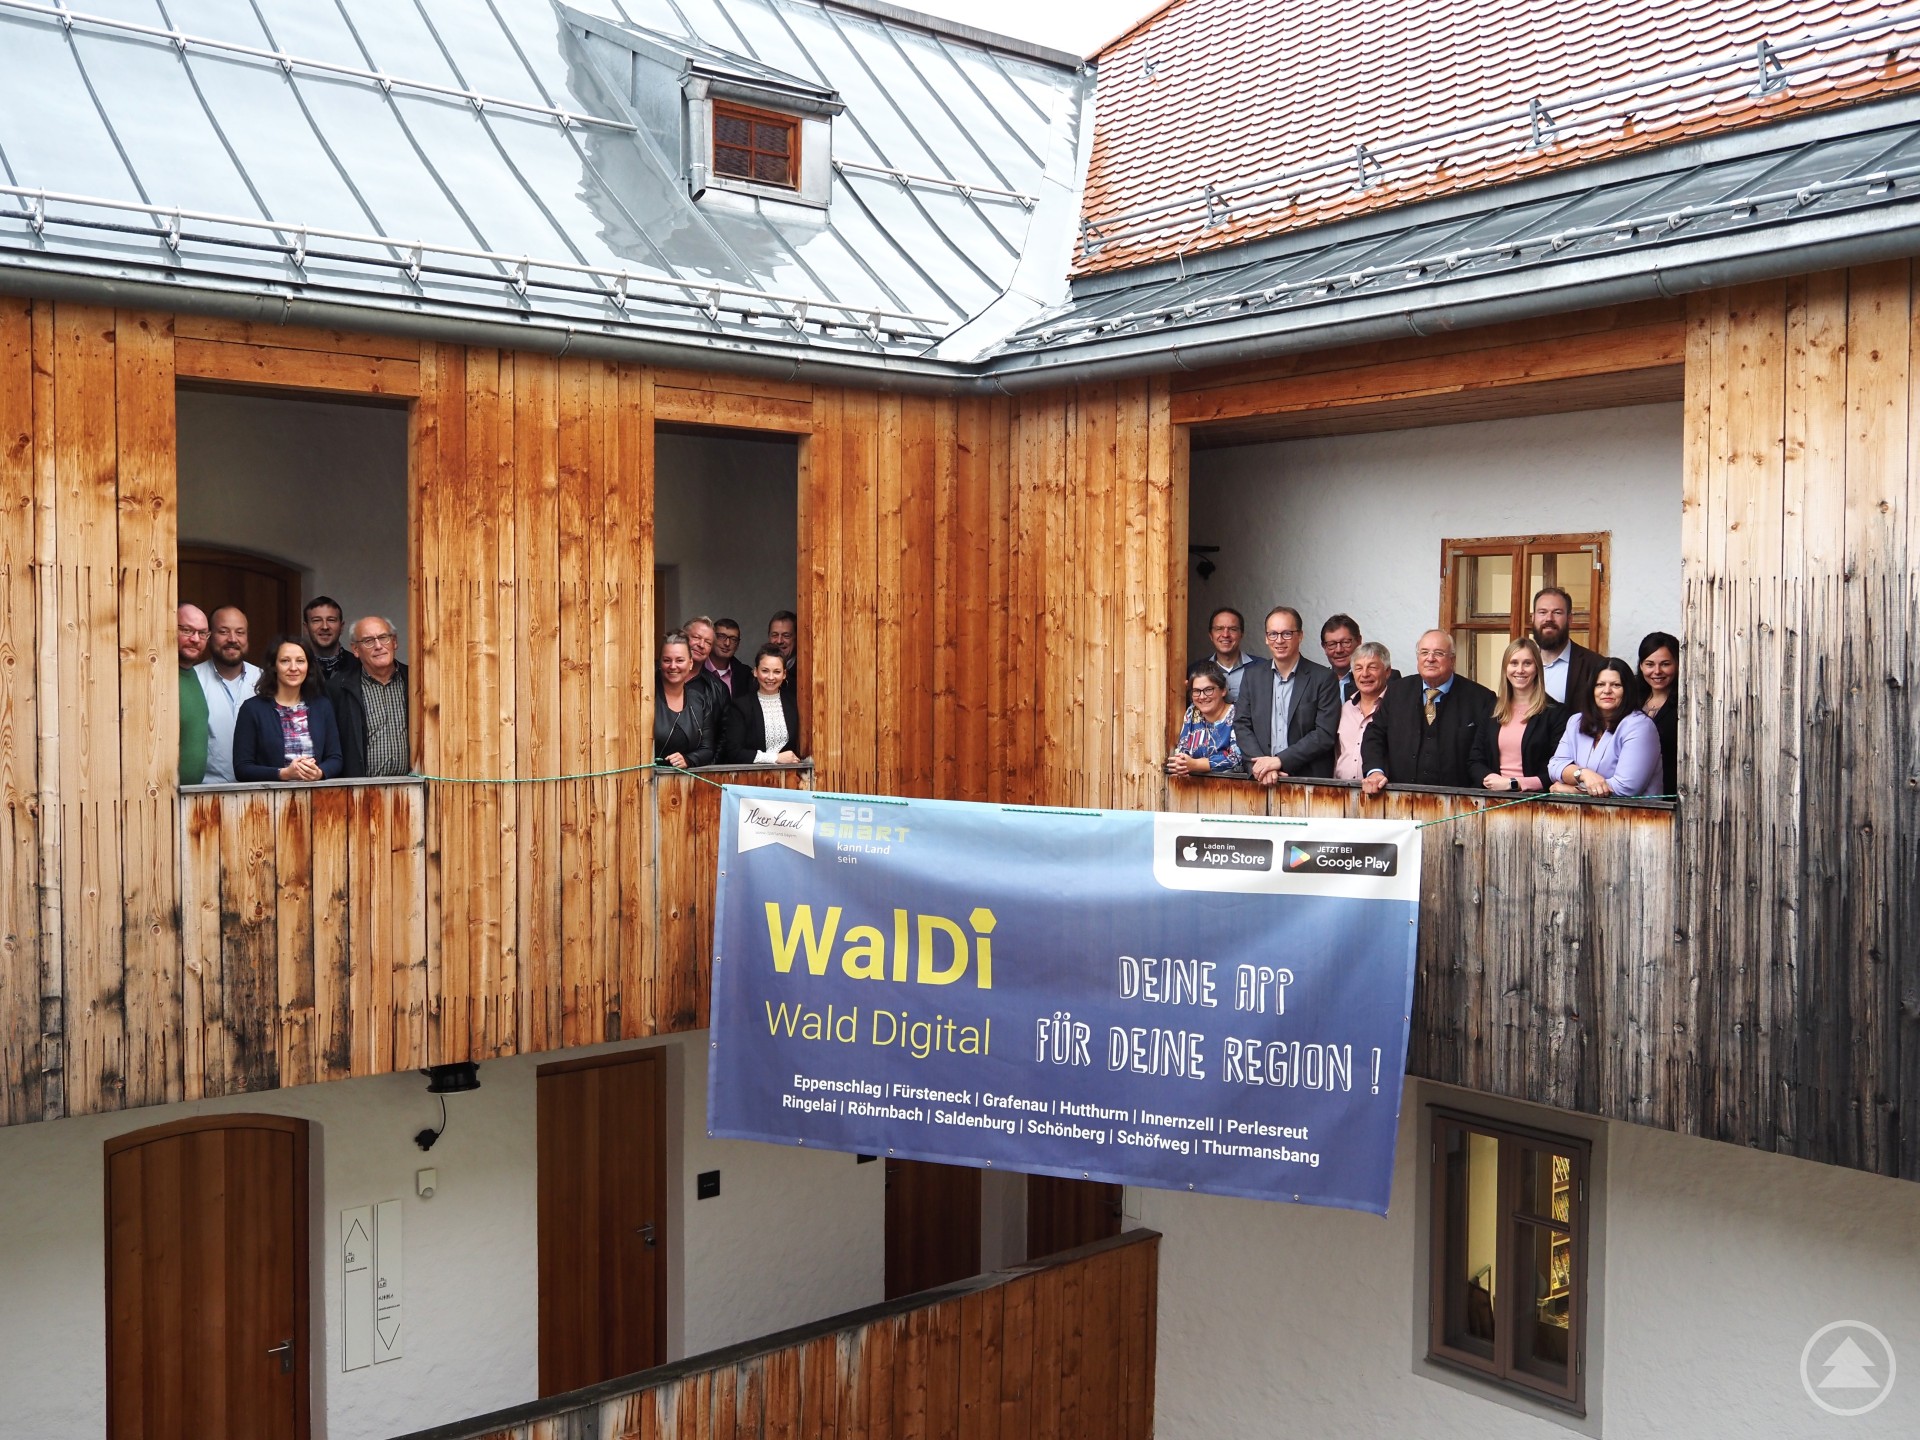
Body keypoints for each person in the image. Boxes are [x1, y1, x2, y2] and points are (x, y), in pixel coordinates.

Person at [1361, 630, 1495, 794]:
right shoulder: (1397, 691)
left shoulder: (1480, 699)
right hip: (1400, 800)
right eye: (1424, 652)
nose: (1430, 658)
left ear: (1452, 659)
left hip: (1459, 804)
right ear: (1418, 658)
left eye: (1438, 653)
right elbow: (1374, 735)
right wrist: (1375, 771)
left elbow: (1485, 753)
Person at [1234, 606, 1340, 782]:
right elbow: (1242, 725)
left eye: (1287, 633)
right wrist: (1261, 766)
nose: (1279, 640)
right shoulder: (1252, 675)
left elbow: (1324, 734)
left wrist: (1279, 761)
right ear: (1266, 638)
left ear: (1300, 635)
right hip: (1262, 780)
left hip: (1308, 782)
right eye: (1273, 634)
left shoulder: (1324, 678)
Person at [233, 637, 344, 782]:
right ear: (273, 666)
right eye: (285, 661)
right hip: (269, 799)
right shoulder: (252, 709)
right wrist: (283, 774)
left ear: (308, 666)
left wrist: (319, 773)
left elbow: (335, 758)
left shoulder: (322, 706)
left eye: (300, 661)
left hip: (318, 797)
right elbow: (242, 768)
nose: (293, 668)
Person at [1548, 657, 1662, 798]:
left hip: (1636, 817)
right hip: (1581, 816)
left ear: (1627, 690)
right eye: (1600, 684)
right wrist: (1583, 774)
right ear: (1591, 689)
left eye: (1616, 685)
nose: (1607, 691)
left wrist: (1571, 790)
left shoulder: (1640, 726)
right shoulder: (1576, 721)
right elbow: (1555, 766)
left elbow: (1625, 788)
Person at [1469, 637, 1566, 792]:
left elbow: (1558, 769)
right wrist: (1489, 779)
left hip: (1536, 804)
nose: (1520, 670)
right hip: (1492, 798)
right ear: (1506, 668)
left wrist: (1514, 784)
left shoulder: (1556, 713)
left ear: (1537, 668)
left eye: (1527, 663)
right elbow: (1475, 759)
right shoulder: (1492, 708)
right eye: (1514, 663)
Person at [330, 616, 411, 778]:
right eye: (368, 641)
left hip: (414, 789)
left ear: (394, 642)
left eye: (383, 638)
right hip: (360, 792)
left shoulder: (416, 681)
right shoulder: (338, 688)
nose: (378, 646)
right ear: (355, 650)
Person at [194, 606, 263, 783]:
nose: (232, 639)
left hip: (260, 792)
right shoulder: (193, 681)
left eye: (240, 632)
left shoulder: (266, 681)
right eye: (223, 632)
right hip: (204, 794)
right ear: (209, 636)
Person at [722, 644, 804, 765]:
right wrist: (774, 758)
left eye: (777, 672)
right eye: (765, 671)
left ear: (784, 674)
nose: (771, 677)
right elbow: (734, 752)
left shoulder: (793, 704)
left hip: (789, 778)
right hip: (752, 779)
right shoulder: (740, 706)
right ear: (755, 672)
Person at [655, 630, 721, 768]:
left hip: (686, 784)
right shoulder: (646, 698)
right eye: (667, 660)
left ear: (690, 663)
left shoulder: (699, 701)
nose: (673, 666)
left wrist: (688, 760)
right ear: (660, 663)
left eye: (679, 660)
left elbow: (707, 749)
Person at [1166, 664, 1242, 776]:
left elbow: (1236, 758)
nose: (1202, 696)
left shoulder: (1237, 714)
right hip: (1191, 789)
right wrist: (1181, 764)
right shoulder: (1192, 712)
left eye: (1208, 690)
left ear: (1223, 691)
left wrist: (1195, 765)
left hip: (1230, 789)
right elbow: (1183, 749)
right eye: (1196, 691)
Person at [1529, 587, 1599, 705]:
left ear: (1570, 619)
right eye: (1542, 612)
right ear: (1533, 618)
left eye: (1557, 612)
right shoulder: (1520, 666)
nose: (1549, 619)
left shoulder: (1594, 665)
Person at [1332, 641, 1392, 780]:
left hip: (1382, 794)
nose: (1365, 674)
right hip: (1340, 793)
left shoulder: (1396, 708)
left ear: (1387, 671)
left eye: (1372, 667)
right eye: (1358, 668)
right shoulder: (1345, 708)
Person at [1638, 631, 1679, 798]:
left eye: (1665, 664)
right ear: (1641, 665)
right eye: (1649, 664)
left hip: (1672, 792)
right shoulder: (1631, 698)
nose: (1657, 671)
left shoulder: (1687, 704)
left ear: (1677, 663)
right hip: (1631, 791)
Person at [1188, 608, 1260, 703]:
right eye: (1219, 629)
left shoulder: (1262, 668)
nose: (1225, 635)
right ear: (1211, 635)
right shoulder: (1195, 670)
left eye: (1232, 629)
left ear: (1241, 634)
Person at [177, 603, 211, 785]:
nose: (196, 639)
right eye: (187, 630)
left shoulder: (193, 675)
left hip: (189, 797)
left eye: (203, 633)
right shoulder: (159, 677)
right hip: (157, 799)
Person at [302, 596, 360, 682]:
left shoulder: (359, 666)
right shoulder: (296, 668)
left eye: (331, 620)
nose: (325, 627)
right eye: (317, 620)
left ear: (341, 627)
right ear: (306, 628)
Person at [707, 616, 754, 695]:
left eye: (733, 639)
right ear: (711, 638)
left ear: (738, 645)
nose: (727, 643)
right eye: (722, 636)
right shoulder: (697, 668)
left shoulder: (745, 675)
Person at [1319, 614, 1362, 702]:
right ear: (1324, 647)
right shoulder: (1316, 682)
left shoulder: (1374, 679)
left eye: (1345, 642)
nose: (1339, 650)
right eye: (1332, 644)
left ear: (1359, 641)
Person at [767, 610, 799, 693]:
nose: (779, 641)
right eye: (775, 635)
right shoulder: (758, 674)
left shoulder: (804, 671)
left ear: (797, 638)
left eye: (786, 636)